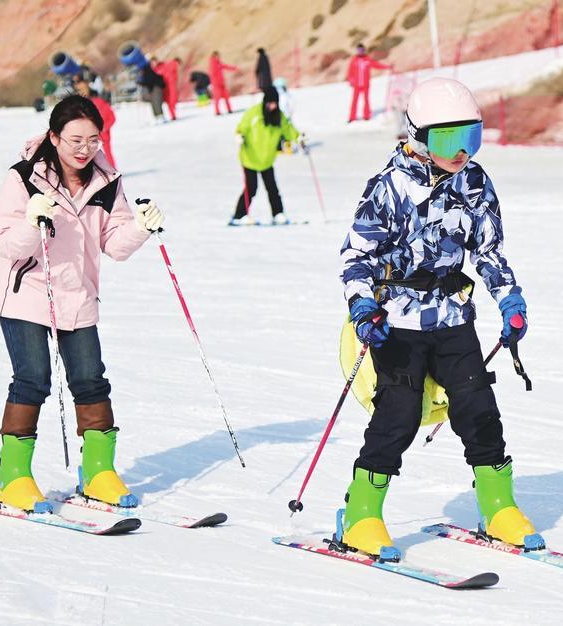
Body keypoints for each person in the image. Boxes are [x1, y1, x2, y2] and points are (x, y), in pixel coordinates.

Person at [336, 78, 542, 561]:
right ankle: (361, 514)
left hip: (453, 318)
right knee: (399, 416)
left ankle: (497, 507)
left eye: (471, 138)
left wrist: (509, 299)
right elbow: (357, 257)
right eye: (449, 140)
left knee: (478, 409)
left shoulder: (475, 182)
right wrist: (363, 306)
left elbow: (488, 251)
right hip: (397, 322)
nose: (462, 152)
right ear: (419, 137)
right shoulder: (389, 187)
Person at [0, 95, 165, 513]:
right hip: (27, 294)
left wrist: (140, 227)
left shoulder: (107, 182)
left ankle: (98, 471)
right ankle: (12, 475)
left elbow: (114, 245)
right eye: (75, 140)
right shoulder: (24, 177)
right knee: (32, 379)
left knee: (90, 380)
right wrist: (31, 221)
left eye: (93, 140)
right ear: (54, 137)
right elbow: (7, 245)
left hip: (78, 295)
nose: (85, 149)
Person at [229, 87, 302, 226]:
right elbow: (242, 127)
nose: (272, 106)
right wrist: (239, 135)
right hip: (250, 158)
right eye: (269, 103)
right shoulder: (254, 113)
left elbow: (288, 130)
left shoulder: (279, 117)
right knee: (251, 188)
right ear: (264, 102)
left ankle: (278, 214)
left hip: (267, 160)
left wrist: (298, 137)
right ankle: (239, 216)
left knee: (272, 188)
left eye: (274, 103)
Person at [75, 78, 117, 168]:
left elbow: (112, 117)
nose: (82, 92)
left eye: (83, 89)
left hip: (103, 135)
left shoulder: (99, 102)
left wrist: (105, 127)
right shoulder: (80, 105)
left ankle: (112, 170)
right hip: (89, 136)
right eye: (79, 90)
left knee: (107, 154)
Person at [346, 43, 392, 122]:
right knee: (354, 101)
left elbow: (377, 65)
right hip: (357, 85)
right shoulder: (354, 60)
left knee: (366, 100)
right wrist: (350, 80)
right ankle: (352, 117)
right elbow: (350, 71)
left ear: (364, 50)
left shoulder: (367, 59)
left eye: (362, 50)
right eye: (359, 50)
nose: (360, 51)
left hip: (365, 84)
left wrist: (388, 67)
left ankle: (366, 115)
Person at [137, 58, 166, 124]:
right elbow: (147, 79)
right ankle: (157, 116)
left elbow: (155, 78)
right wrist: (141, 82)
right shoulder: (147, 69)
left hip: (157, 86)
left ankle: (160, 116)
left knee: (157, 102)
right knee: (154, 102)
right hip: (151, 87)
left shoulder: (157, 68)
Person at [208, 51, 236, 115]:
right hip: (216, 84)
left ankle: (229, 109)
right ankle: (217, 111)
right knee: (217, 98)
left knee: (226, 97)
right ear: (214, 56)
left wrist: (233, 68)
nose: (218, 57)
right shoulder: (212, 63)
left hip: (222, 83)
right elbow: (212, 74)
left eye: (219, 56)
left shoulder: (218, 63)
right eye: (217, 56)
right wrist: (214, 83)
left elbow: (225, 66)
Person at [156, 57, 181, 121]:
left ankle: (172, 115)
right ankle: (173, 115)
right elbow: (174, 76)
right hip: (171, 85)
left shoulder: (160, 68)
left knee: (169, 102)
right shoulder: (173, 64)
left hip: (165, 87)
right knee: (172, 101)